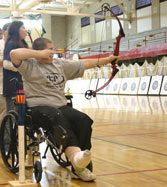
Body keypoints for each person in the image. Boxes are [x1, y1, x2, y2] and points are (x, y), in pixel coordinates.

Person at [10, 37, 119, 182]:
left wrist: (108, 59)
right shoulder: (29, 65)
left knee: (83, 119)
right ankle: (77, 160)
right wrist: (39, 54)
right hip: (38, 108)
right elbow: (14, 54)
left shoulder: (59, 64)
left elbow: (83, 64)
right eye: (50, 49)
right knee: (57, 116)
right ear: (40, 50)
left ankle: (78, 166)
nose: (53, 52)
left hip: (60, 106)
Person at [3, 21, 28, 112]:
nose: (26, 30)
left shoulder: (23, 44)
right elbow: (6, 64)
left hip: (22, 84)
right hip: (12, 85)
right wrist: (22, 68)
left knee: (23, 113)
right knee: (13, 113)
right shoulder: (11, 43)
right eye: (23, 28)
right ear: (16, 30)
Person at [0, 23, 11, 126]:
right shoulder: (1, 44)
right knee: (3, 116)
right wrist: (12, 59)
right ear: (3, 32)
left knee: (11, 116)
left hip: (13, 87)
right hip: (1, 87)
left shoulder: (15, 45)